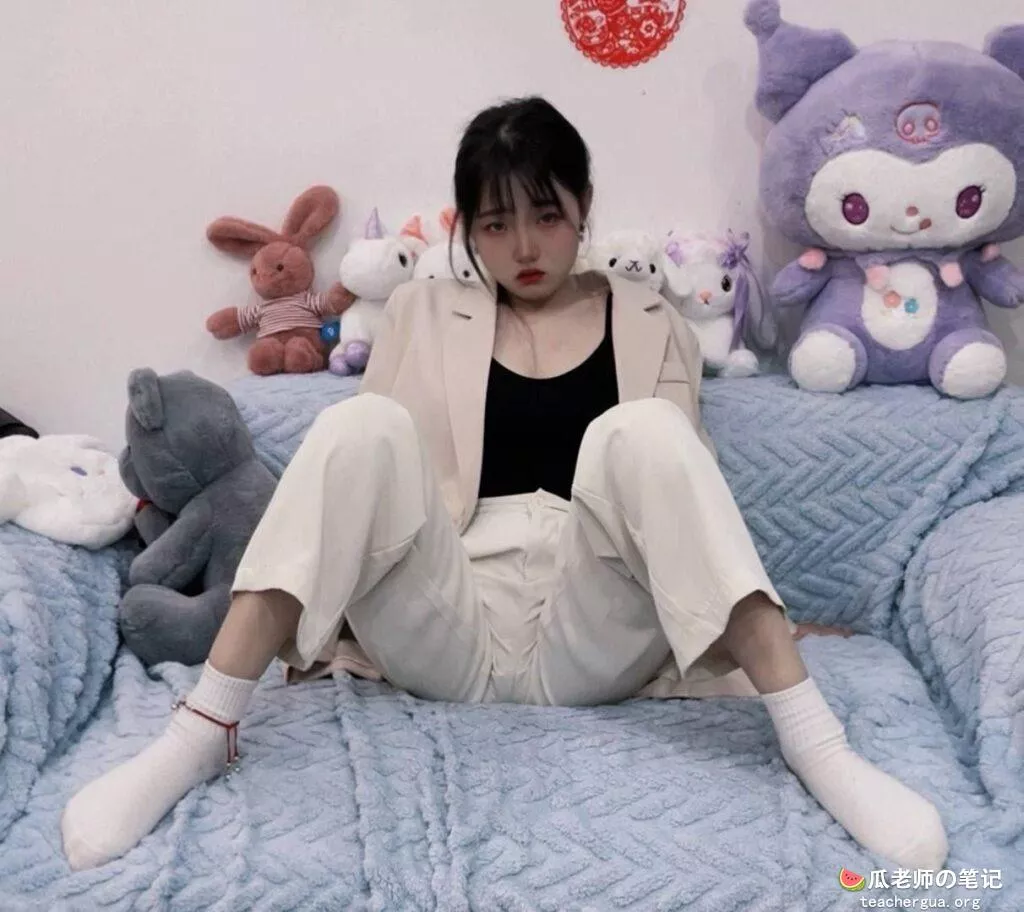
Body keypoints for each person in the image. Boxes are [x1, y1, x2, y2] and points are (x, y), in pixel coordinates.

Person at [61, 96, 948, 872]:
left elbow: (678, 499)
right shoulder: (419, 312)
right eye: (494, 225)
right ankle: (204, 729)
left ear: (584, 206)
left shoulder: (654, 319)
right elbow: (374, 491)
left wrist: (765, 622)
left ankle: (814, 742)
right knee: (361, 426)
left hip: (594, 623)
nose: (523, 247)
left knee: (647, 430)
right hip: (444, 612)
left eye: (546, 215)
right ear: (467, 230)